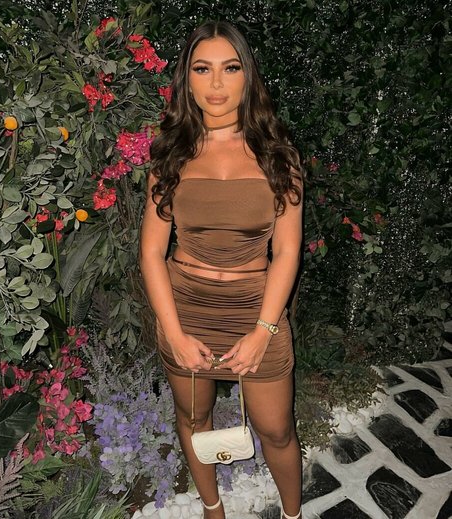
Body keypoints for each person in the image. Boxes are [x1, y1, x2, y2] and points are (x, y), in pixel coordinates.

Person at [140, 20, 303, 519]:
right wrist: (174, 334)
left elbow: (287, 253)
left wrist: (262, 332)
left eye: (230, 68)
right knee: (194, 418)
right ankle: (213, 510)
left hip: (257, 310)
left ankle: (294, 514)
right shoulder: (170, 155)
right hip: (185, 308)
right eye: (202, 69)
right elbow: (151, 253)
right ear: (186, 80)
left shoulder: (278, 155)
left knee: (277, 429)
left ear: (247, 76)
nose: (216, 84)